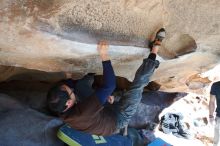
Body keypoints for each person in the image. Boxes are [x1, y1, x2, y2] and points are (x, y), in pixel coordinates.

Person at [47, 28, 166, 136]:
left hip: (99, 114)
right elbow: (110, 85)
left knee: (80, 85)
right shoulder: (84, 111)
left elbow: (70, 88)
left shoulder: (59, 107)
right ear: (68, 103)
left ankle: (92, 76)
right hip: (117, 119)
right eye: (70, 91)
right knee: (137, 86)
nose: (71, 89)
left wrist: (68, 79)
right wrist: (104, 55)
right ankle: (155, 49)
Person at [209, 81, 220, 146]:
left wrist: (211, 116)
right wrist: (211, 116)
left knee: (216, 143)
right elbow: (212, 102)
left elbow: (212, 102)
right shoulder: (216, 85)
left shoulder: (216, 85)